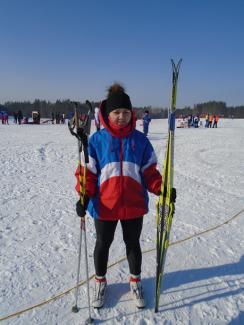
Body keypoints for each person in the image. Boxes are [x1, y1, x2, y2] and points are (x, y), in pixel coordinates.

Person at [75, 83, 176, 309]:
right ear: (107, 113)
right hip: (104, 205)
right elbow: (87, 173)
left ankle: (135, 281)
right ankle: (100, 281)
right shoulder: (96, 141)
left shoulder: (140, 140)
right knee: (103, 244)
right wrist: (83, 195)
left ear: (132, 114)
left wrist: (162, 189)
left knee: (133, 244)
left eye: (126, 112)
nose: (121, 117)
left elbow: (150, 171)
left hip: (133, 204)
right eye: (117, 112)